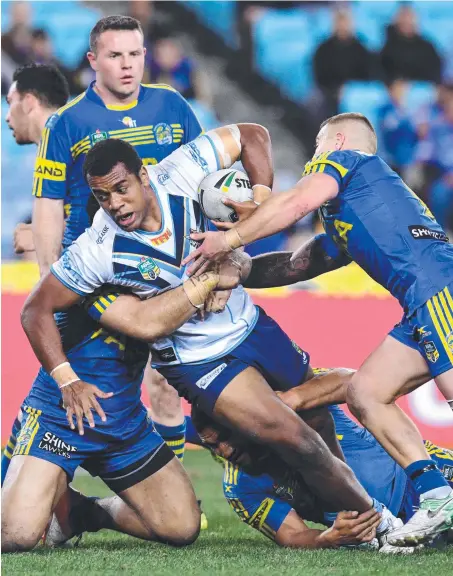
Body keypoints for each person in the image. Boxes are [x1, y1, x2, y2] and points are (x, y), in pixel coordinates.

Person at [20, 127, 388, 532]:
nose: (115, 204)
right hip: (196, 360)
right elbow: (35, 310)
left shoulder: (179, 171)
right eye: (102, 196)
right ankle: (380, 523)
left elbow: (254, 135)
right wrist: (66, 378)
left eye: (121, 188)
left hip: (251, 326)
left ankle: (347, 517)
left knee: (319, 425)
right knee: (295, 438)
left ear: (144, 176)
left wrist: (259, 206)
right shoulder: (99, 247)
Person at [182, 111, 453, 545]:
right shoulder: (354, 212)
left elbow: (296, 203)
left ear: (338, 141)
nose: (312, 160)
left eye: (316, 147)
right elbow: (296, 264)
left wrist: (229, 239)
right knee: (366, 393)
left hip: (439, 292)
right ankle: (437, 494)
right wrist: (240, 268)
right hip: (420, 306)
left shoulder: (346, 162)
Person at [4, 14, 204, 486]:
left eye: (136, 54)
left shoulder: (172, 107)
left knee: (165, 383)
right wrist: (51, 276)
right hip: (96, 281)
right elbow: (49, 206)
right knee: (57, 384)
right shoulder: (68, 121)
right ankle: (18, 478)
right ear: (94, 60)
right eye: (115, 56)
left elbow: (203, 183)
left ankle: (173, 485)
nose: (128, 65)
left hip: (167, 273)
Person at [190, 393, 453, 551]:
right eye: (212, 445)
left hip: (424, 479)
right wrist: (327, 538)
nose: (223, 450)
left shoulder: (295, 408)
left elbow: (355, 383)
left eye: (225, 437)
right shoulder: (239, 487)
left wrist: (294, 396)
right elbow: (291, 534)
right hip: (390, 529)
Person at [2, 63, 70, 483]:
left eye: (10, 104)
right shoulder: (59, 141)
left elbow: (105, 209)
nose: (7, 116)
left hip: (91, 294)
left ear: (29, 101)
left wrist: (49, 236)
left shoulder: (65, 137)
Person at [313, 10, 372, 116]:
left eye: (346, 22)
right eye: (340, 22)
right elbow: (320, 76)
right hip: (330, 91)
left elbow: (368, 73)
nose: (343, 26)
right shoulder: (323, 49)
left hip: (356, 91)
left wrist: (350, 88)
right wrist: (336, 89)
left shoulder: (360, 48)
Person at [380, 5, 442, 85]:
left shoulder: (427, 47)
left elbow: (435, 72)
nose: (407, 20)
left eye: (410, 16)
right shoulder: (387, 47)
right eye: (403, 16)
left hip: (424, 89)